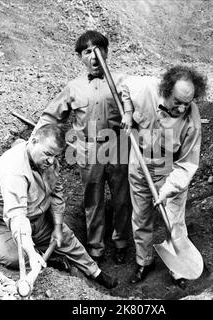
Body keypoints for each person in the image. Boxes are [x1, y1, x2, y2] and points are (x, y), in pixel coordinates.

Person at [0, 124, 118, 289]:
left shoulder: (48, 161)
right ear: (33, 141)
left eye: (55, 156)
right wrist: (32, 254)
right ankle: (46, 259)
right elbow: (17, 218)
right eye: (48, 153)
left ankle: (95, 272)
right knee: (14, 257)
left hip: (35, 217)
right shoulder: (14, 172)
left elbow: (56, 193)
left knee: (66, 237)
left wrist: (57, 227)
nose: (51, 160)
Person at [31, 30, 132, 265]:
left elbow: (141, 107)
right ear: (80, 57)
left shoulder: (122, 82)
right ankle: (95, 248)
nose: (94, 56)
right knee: (92, 200)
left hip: (118, 146)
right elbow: (51, 115)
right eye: (88, 52)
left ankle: (120, 243)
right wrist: (36, 138)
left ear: (107, 52)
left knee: (121, 198)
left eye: (99, 50)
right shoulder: (73, 87)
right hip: (88, 150)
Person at [121, 65, 207, 289]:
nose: (180, 108)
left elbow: (187, 164)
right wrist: (128, 113)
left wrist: (168, 189)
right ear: (166, 90)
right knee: (141, 215)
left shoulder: (192, 122)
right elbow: (124, 86)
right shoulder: (146, 88)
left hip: (170, 167)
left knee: (174, 219)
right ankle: (143, 261)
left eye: (186, 103)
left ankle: (178, 267)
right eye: (177, 101)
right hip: (139, 160)